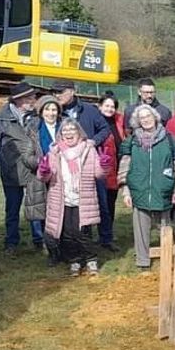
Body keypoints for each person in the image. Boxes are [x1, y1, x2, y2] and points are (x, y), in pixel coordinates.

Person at [37, 119, 110, 276]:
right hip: (62, 199)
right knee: (67, 234)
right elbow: (46, 178)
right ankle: (74, 260)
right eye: (65, 130)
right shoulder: (55, 152)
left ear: (79, 132)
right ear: (61, 134)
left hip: (83, 198)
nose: (69, 133)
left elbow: (99, 174)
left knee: (82, 232)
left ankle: (90, 259)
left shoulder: (88, 150)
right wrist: (43, 171)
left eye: (72, 130)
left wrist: (104, 165)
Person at [119, 105, 175, 270]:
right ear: (138, 121)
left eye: (148, 116)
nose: (146, 120)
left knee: (165, 226)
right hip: (139, 189)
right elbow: (124, 166)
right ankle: (143, 261)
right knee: (141, 228)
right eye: (142, 118)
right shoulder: (131, 141)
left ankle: (167, 256)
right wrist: (126, 191)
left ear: (155, 117)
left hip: (163, 188)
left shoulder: (170, 139)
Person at [52, 80, 111, 248]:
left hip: (89, 163)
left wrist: (94, 141)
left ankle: (105, 238)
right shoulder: (56, 112)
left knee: (100, 202)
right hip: (66, 165)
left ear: (71, 91)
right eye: (55, 93)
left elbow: (104, 129)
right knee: (70, 206)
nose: (57, 96)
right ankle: (72, 240)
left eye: (61, 92)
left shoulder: (90, 110)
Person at [0, 82, 41, 255]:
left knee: (35, 207)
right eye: (30, 97)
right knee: (12, 209)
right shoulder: (1, 117)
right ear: (19, 99)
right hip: (11, 170)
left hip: (32, 170)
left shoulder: (36, 116)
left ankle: (39, 239)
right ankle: (11, 242)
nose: (33, 100)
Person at [21, 96, 59, 265]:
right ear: (41, 111)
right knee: (43, 213)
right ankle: (47, 245)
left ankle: (61, 244)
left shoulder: (65, 126)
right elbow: (26, 157)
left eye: (54, 109)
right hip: (40, 177)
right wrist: (42, 163)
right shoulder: (33, 129)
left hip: (61, 178)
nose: (51, 113)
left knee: (60, 212)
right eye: (47, 109)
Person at [97, 93, 126, 252]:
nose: (110, 109)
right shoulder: (96, 122)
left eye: (112, 106)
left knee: (110, 203)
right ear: (100, 106)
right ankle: (102, 235)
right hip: (102, 168)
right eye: (107, 106)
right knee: (101, 204)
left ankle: (107, 234)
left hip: (116, 167)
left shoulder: (119, 121)